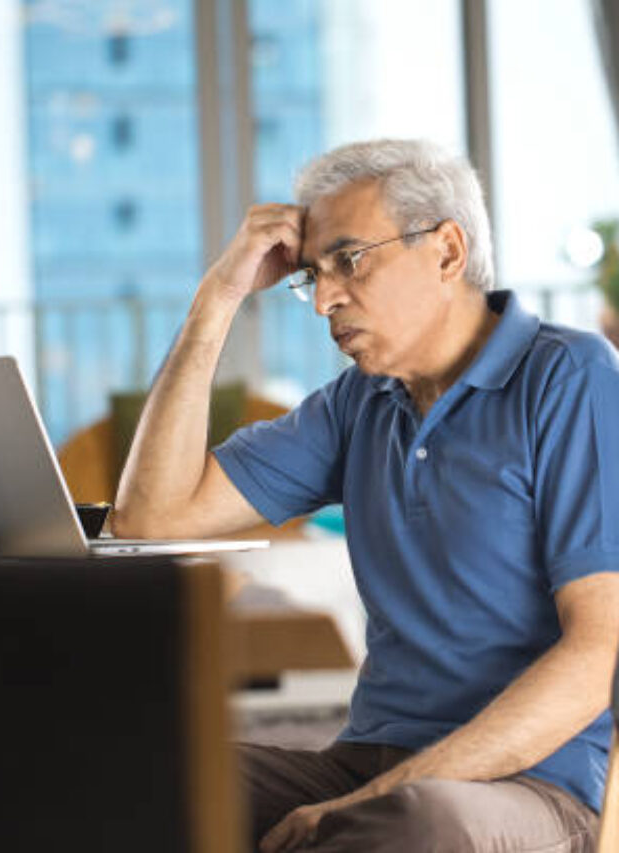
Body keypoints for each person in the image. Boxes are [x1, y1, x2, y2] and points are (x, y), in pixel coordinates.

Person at [113, 139, 619, 852]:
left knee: (421, 824)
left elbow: (599, 653)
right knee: (140, 776)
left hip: (529, 786)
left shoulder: (569, 376)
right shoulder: (359, 403)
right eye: (313, 274)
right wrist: (218, 295)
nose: (323, 299)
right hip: (363, 766)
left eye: (349, 260)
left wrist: (372, 802)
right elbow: (149, 518)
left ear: (446, 251)